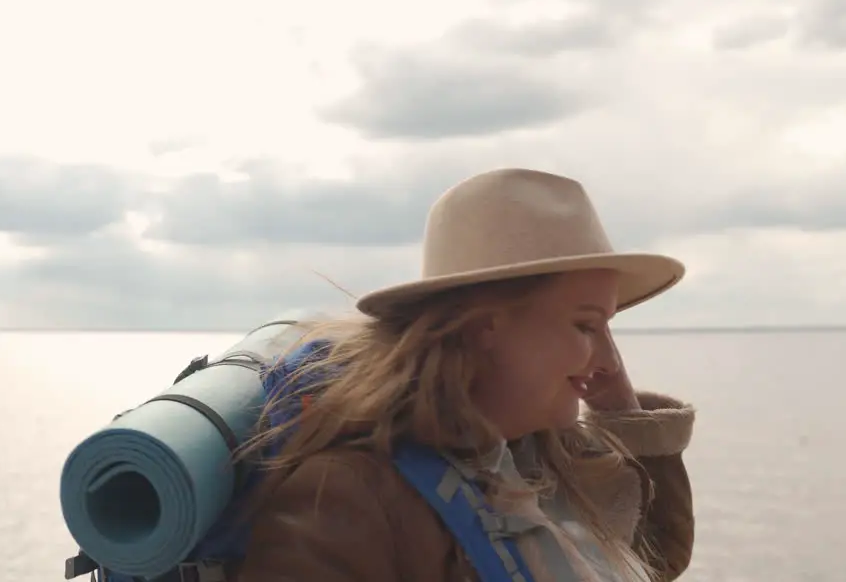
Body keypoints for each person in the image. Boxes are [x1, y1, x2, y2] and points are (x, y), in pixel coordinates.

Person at [233, 167, 696, 582]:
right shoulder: (348, 498)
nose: (611, 362)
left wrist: (622, 413)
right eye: (585, 325)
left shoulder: (535, 457)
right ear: (485, 328)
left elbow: (653, 560)